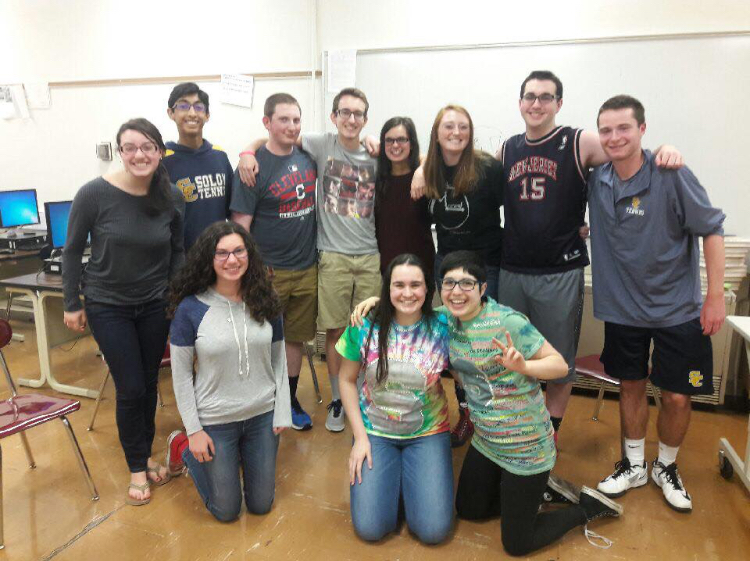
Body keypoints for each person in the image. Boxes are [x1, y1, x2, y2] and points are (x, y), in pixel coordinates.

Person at [352, 250, 623, 555]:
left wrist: (525, 368)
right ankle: (539, 492)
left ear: (483, 289)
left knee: (517, 544)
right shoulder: (444, 319)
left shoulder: (507, 321)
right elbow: (406, 306)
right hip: (486, 441)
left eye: (467, 283)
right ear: (439, 288)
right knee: (468, 510)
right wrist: (377, 302)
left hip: (525, 444)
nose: (457, 291)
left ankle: (586, 509)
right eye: (450, 283)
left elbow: (560, 366)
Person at [495, 70, 683, 442]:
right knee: (512, 358)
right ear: (519, 103)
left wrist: (664, 149)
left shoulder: (579, 141)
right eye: (530, 96)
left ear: (558, 104)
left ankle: (548, 434)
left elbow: (627, 150)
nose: (536, 103)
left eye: (545, 97)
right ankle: (517, 427)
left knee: (558, 361)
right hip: (512, 268)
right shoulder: (508, 148)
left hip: (559, 272)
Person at [590, 95, 725, 513]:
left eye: (624, 128)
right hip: (623, 310)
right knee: (630, 386)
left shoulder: (672, 173)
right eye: (606, 129)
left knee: (678, 398)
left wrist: (715, 297)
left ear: (642, 130)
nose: (615, 137)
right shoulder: (596, 180)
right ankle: (633, 465)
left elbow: (712, 229)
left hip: (678, 310)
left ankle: (666, 466)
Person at [238, 88, 380, 433]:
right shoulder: (319, 144)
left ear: (365, 119)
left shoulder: (376, 154)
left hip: (359, 257)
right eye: (344, 112)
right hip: (326, 257)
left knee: (364, 332)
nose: (350, 119)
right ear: (333, 117)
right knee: (333, 331)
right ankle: (334, 399)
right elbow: (275, 134)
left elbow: (415, 157)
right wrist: (246, 150)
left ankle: (363, 396)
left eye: (358, 114)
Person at [62, 118, 185, 506]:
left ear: (160, 152)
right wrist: (70, 302)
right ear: (120, 152)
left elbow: (177, 250)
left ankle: (143, 454)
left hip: (154, 305)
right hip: (107, 305)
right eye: (130, 147)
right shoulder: (94, 194)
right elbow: (70, 251)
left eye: (147, 147)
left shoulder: (170, 197)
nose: (139, 155)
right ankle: (136, 466)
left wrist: (175, 294)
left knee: (148, 384)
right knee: (130, 386)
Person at [164, 221, 292, 522]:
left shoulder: (265, 299)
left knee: (261, 505)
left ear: (249, 254)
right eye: (221, 253)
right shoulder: (190, 310)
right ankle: (181, 445)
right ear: (208, 258)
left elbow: (279, 359)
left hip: (262, 415)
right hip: (215, 420)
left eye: (238, 251)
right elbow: (181, 375)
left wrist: (282, 409)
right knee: (227, 511)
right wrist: (194, 431)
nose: (231, 260)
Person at [337, 254, 453, 544]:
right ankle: (398, 484)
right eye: (398, 285)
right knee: (370, 529)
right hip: (375, 432)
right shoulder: (364, 324)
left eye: (416, 285)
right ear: (387, 288)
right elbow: (346, 380)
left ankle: (407, 485)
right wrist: (360, 438)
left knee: (433, 532)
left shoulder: (444, 325)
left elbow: (479, 308)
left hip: (427, 432)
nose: (408, 292)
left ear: (428, 289)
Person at [414, 104, 505, 447]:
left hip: (486, 268)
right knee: (457, 346)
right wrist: (421, 168)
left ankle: (489, 418)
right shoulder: (430, 171)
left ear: (470, 132)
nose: (456, 133)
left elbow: (518, 208)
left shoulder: (489, 169)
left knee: (483, 345)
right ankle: (467, 415)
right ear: (437, 133)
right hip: (447, 269)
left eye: (463, 127)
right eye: (448, 126)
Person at [231, 93, 318, 431]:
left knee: (294, 339)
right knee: (261, 339)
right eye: (284, 119)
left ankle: (289, 398)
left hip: (307, 267)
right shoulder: (252, 169)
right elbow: (241, 227)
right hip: (269, 272)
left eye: (296, 119)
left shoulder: (309, 157)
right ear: (267, 122)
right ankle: (262, 402)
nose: (292, 126)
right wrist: (251, 274)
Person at [163, 82, 233, 250]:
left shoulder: (220, 157)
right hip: (181, 260)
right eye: (183, 106)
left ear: (207, 115)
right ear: (171, 113)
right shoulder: (163, 162)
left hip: (218, 258)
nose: (192, 113)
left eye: (199, 107)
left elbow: (233, 212)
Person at [373, 117, 434, 282]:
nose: (395, 145)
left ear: (411, 143)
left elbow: (436, 158)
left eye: (401, 139)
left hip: (421, 270)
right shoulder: (376, 179)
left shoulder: (423, 179)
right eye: (389, 140)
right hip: (384, 272)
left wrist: (422, 170)